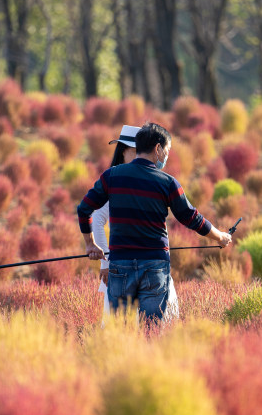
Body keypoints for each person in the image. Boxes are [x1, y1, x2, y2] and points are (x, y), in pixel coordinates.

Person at [77, 121, 232, 322]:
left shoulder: (111, 176)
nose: (166, 156)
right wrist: (219, 236)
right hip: (155, 267)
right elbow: (191, 217)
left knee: (120, 330)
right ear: (158, 149)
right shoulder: (167, 183)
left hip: (120, 265)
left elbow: (84, 209)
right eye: (167, 150)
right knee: (151, 329)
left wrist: (90, 244)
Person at [91, 124, 180, 320]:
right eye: (135, 150)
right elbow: (97, 218)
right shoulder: (117, 179)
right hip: (125, 266)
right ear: (125, 152)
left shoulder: (140, 177)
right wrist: (105, 261)